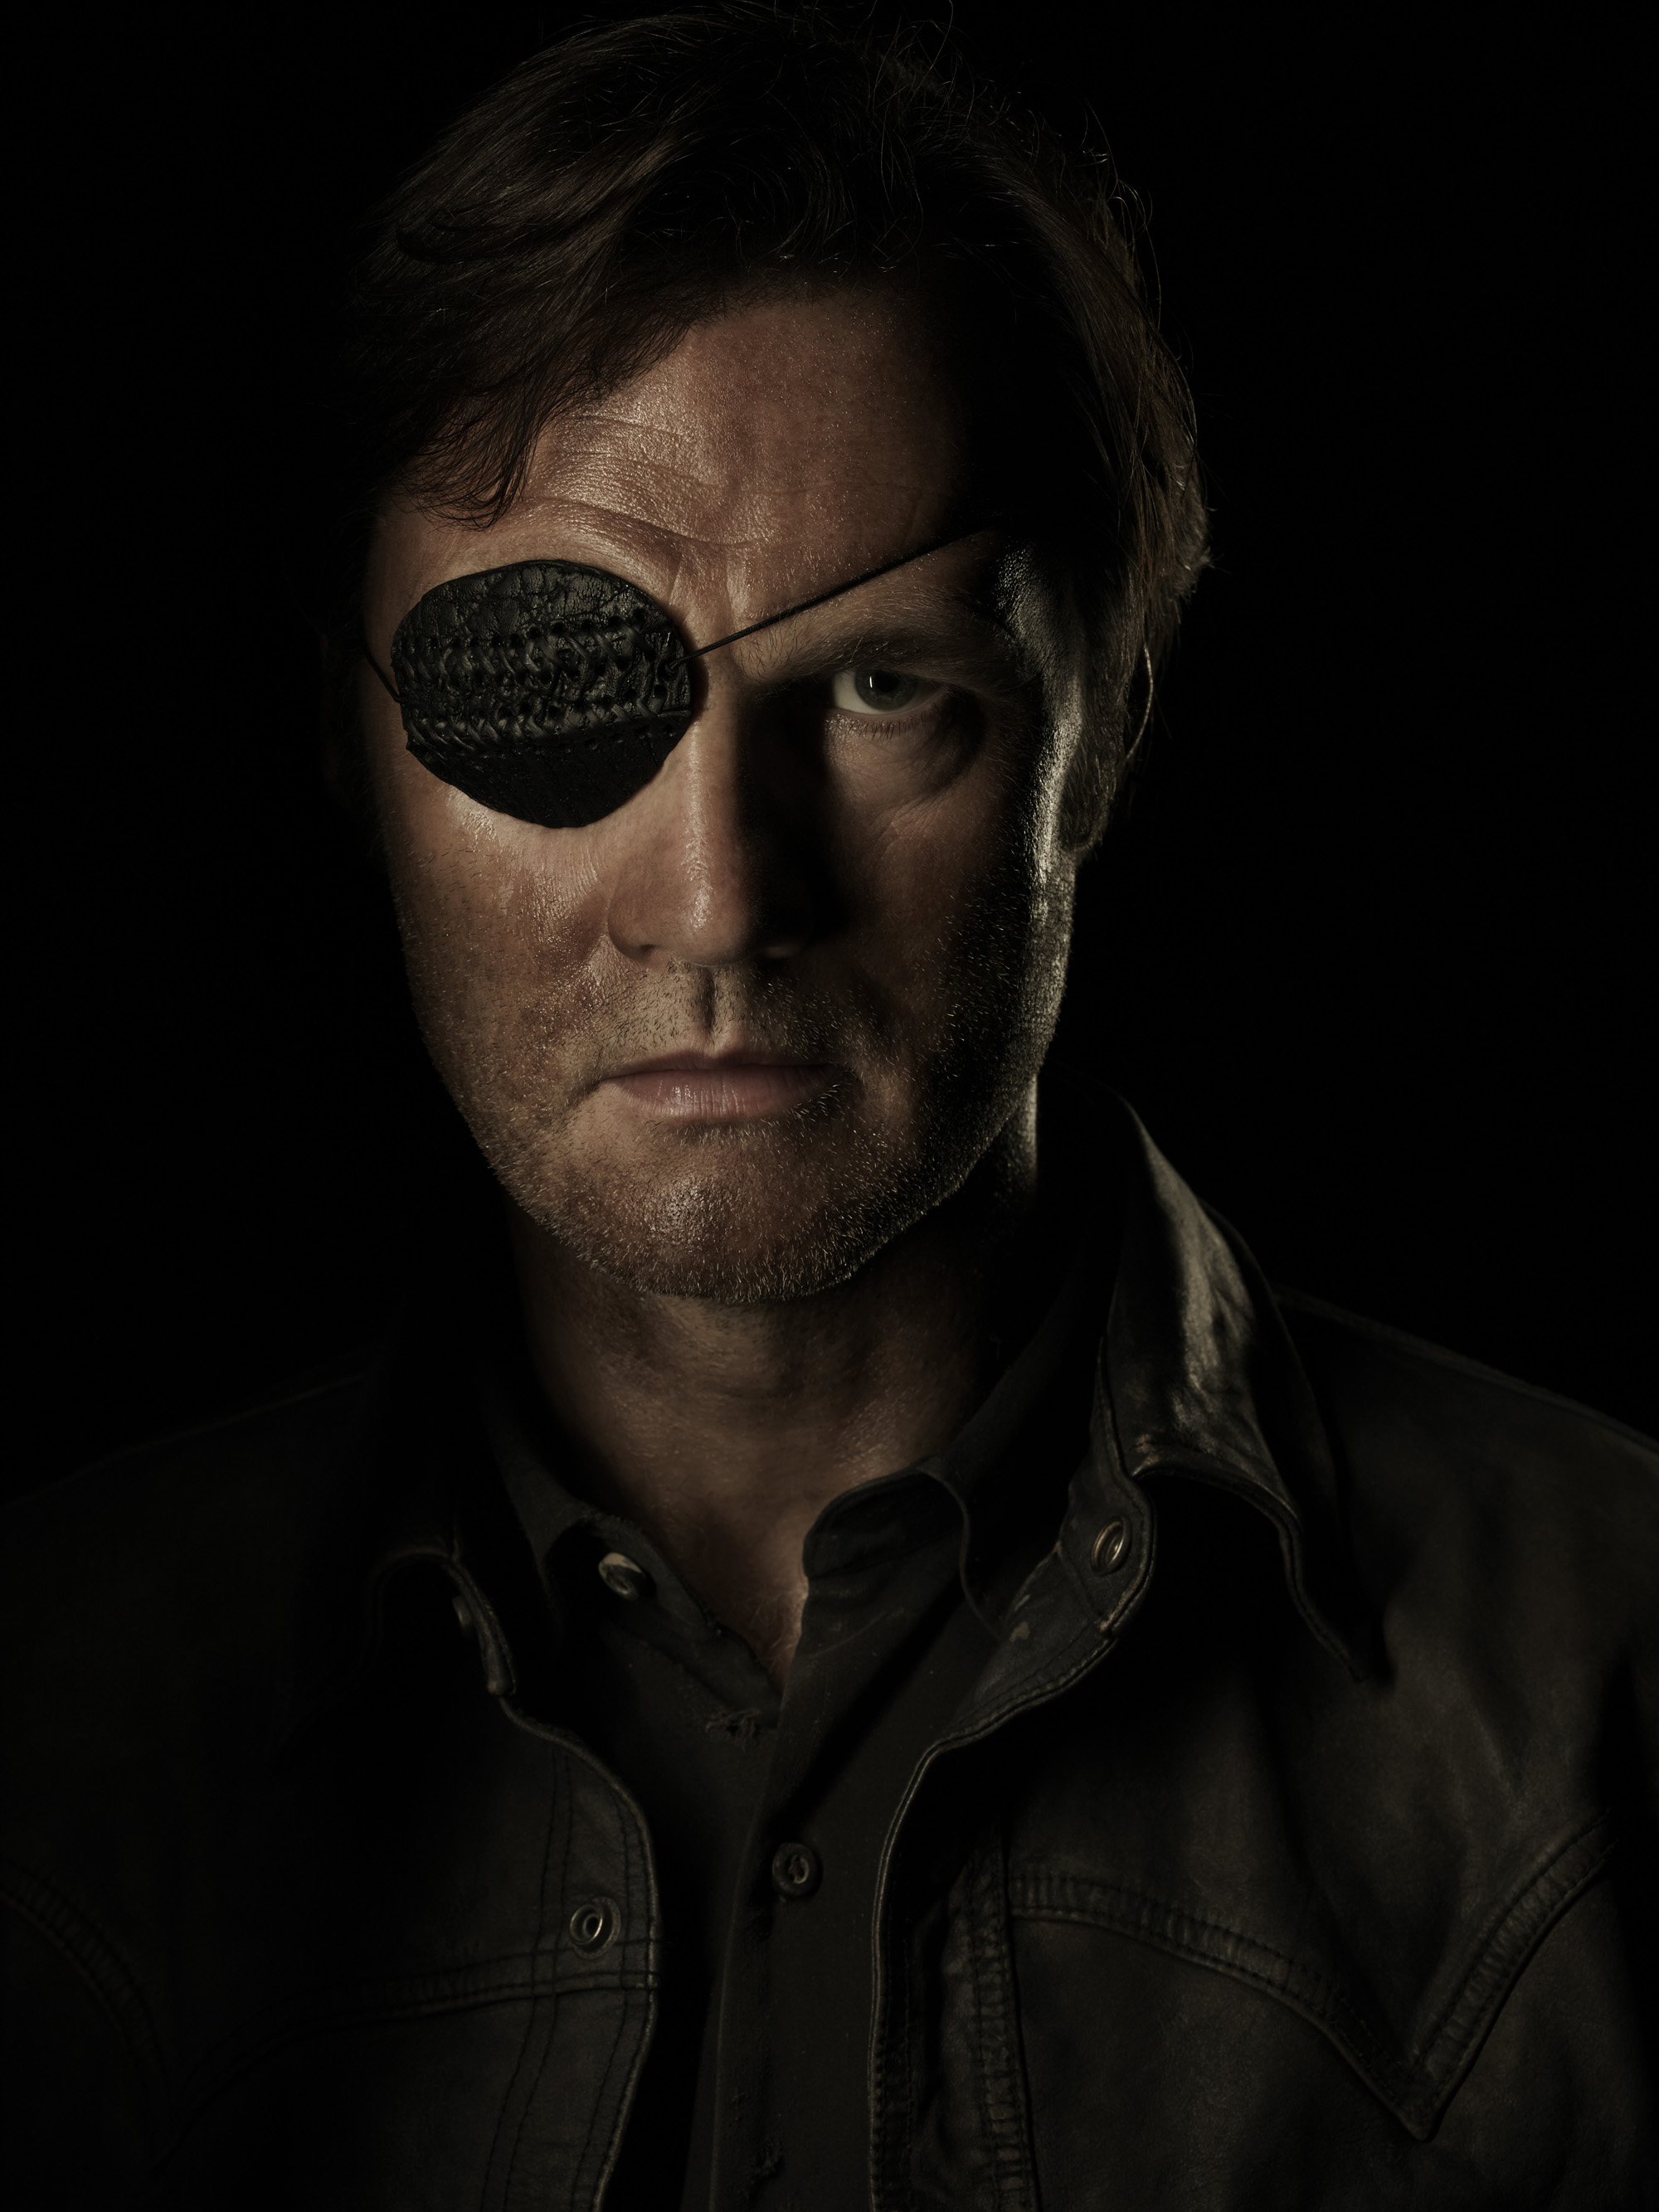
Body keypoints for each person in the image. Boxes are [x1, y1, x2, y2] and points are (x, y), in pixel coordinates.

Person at [3, 11, 1653, 2208]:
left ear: (1102, 725)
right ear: (350, 741)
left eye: (884, 691)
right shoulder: (52, 1736)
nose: (721, 902)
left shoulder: (1608, 1693)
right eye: (555, 691)